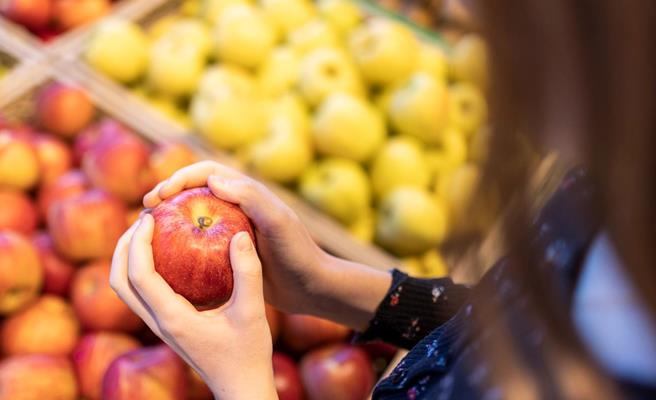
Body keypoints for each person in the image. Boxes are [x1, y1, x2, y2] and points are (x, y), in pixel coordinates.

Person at [109, 1, 656, 399]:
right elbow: (500, 326)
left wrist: (243, 387)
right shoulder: (611, 184)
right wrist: (327, 285)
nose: (462, 16)